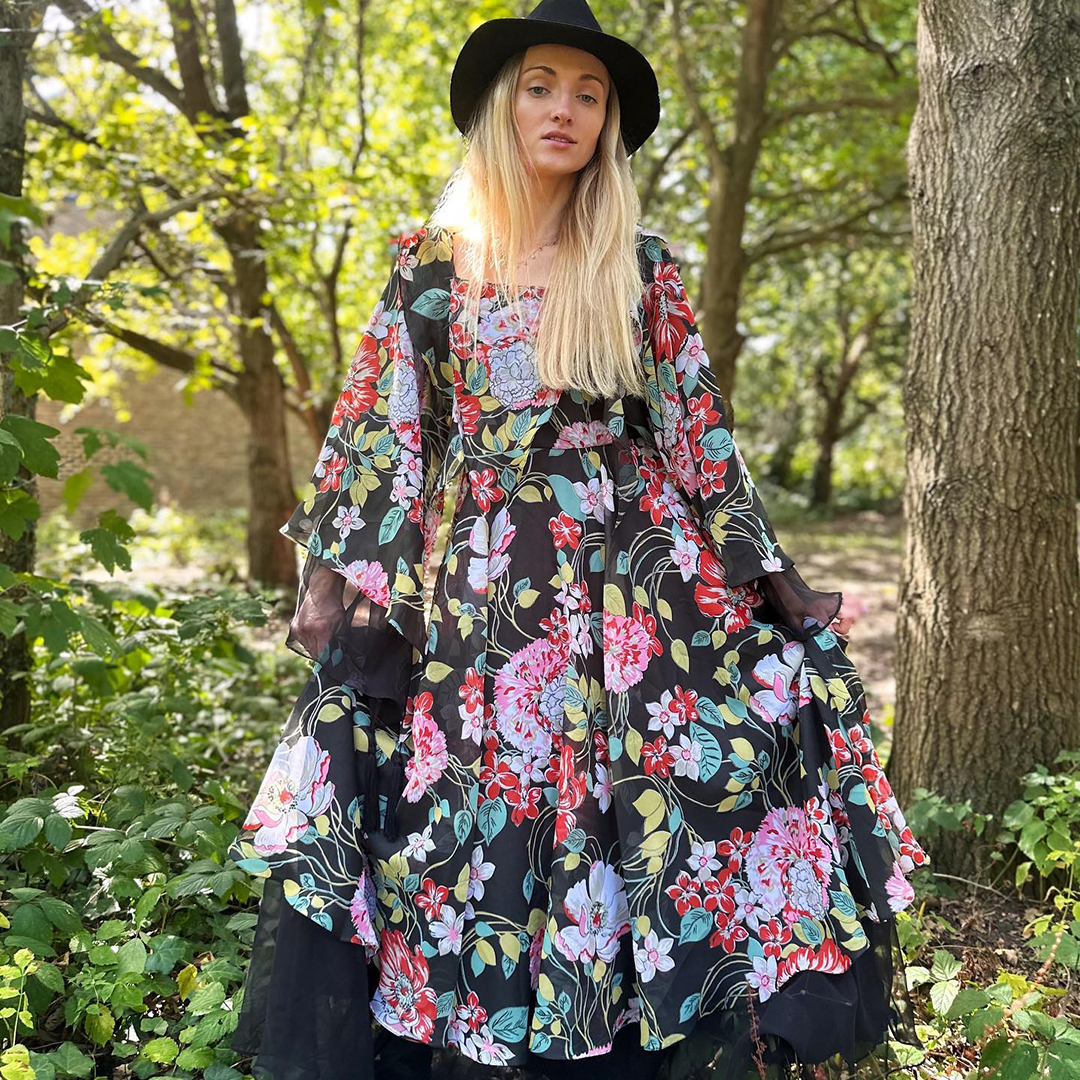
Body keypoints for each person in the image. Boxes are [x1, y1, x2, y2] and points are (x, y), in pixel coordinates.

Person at [229, 1, 931, 1078]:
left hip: (644, 598)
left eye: (589, 95)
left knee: (636, 805)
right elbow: (384, 434)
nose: (565, 109)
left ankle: (626, 1032)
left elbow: (699, 435)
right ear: (503, 107)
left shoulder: (639, 267)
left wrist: (777, 587)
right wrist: (346, 596)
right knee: (502, 810)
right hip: (491, 597)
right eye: (542, 87)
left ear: (608, 124)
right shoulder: (431, 265)